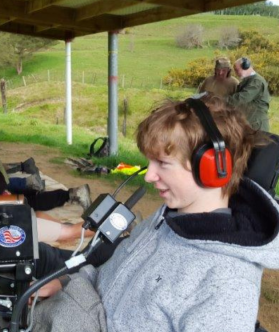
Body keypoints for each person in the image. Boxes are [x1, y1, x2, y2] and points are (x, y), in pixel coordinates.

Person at [32, 96, 279, 332]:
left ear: (212, 168)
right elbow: (110, 276)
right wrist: (63, 283)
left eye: (163, 163)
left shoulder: (227, 283)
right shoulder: (166, 221)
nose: (149, 176)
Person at [227, 56, 271, 132]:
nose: (236, 73)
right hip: (250, 122)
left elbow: (241, 98)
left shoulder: (256, 81)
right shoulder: (248, 80)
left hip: (256, 125)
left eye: (237, 70)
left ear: (245, 67)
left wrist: (221, 100)